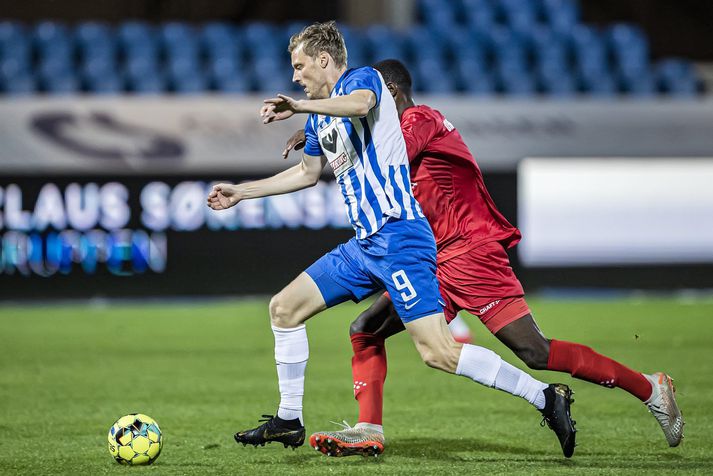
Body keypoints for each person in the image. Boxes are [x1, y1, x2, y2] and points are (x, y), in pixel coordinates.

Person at [207, 22, 576, 457]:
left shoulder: (362, 80)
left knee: (438, 352)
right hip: (364, 245)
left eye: (299, 66)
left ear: (324, 60)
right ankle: (289, 418)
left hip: (400, 236)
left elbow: (362, 104)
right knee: (284, 309)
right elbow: (307, 173)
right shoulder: (322, 116)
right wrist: (241, 191)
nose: (295, 76)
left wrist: (302, 105)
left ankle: (546, 397)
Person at [282, 58, 685, 457]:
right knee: (366, 329)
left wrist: (322, 123)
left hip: (471, 251)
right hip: (430, 257)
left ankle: (650, 388)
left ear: (391, 95)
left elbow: (381, 156)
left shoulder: (419, 120)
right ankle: (368, 428)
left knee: (535, 352)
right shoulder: (390, 127)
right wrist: (320, 132)